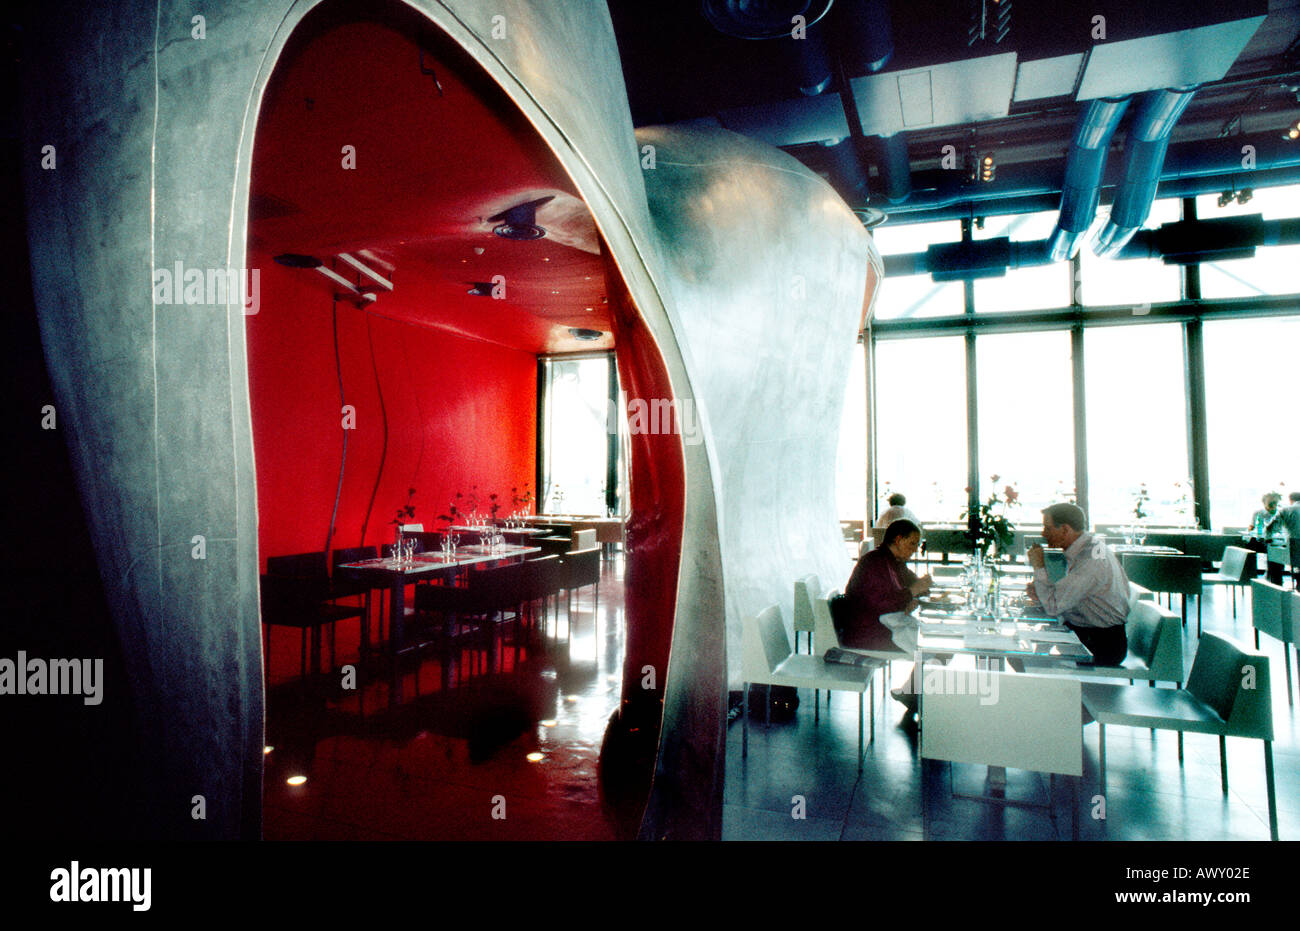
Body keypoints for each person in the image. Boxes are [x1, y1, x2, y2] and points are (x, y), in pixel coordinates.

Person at [841, 519, 930, 715]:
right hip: (868, 633)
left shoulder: (893, 561)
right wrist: (911, 593)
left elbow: (910, 585)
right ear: (898, 540)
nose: (915, 549)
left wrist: (917, 590)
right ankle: (919, 698)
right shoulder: (874, 563)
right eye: (912, 543)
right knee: (933, 648)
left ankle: (914, 694)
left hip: (881, 626)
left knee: (933, 643)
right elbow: (879, 604)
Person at [1025, 503, 1130, 667]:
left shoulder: (1091, 560)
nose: (1043, 533)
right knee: (1027, 644)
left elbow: (1053, 607)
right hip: (1088, 632)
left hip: (1101, 644)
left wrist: (1038, 566)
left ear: (1065, 529)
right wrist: (1043, 594)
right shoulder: (1091, 547)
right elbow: (1070, 598)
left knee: (1024, 656)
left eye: (1048, 528)